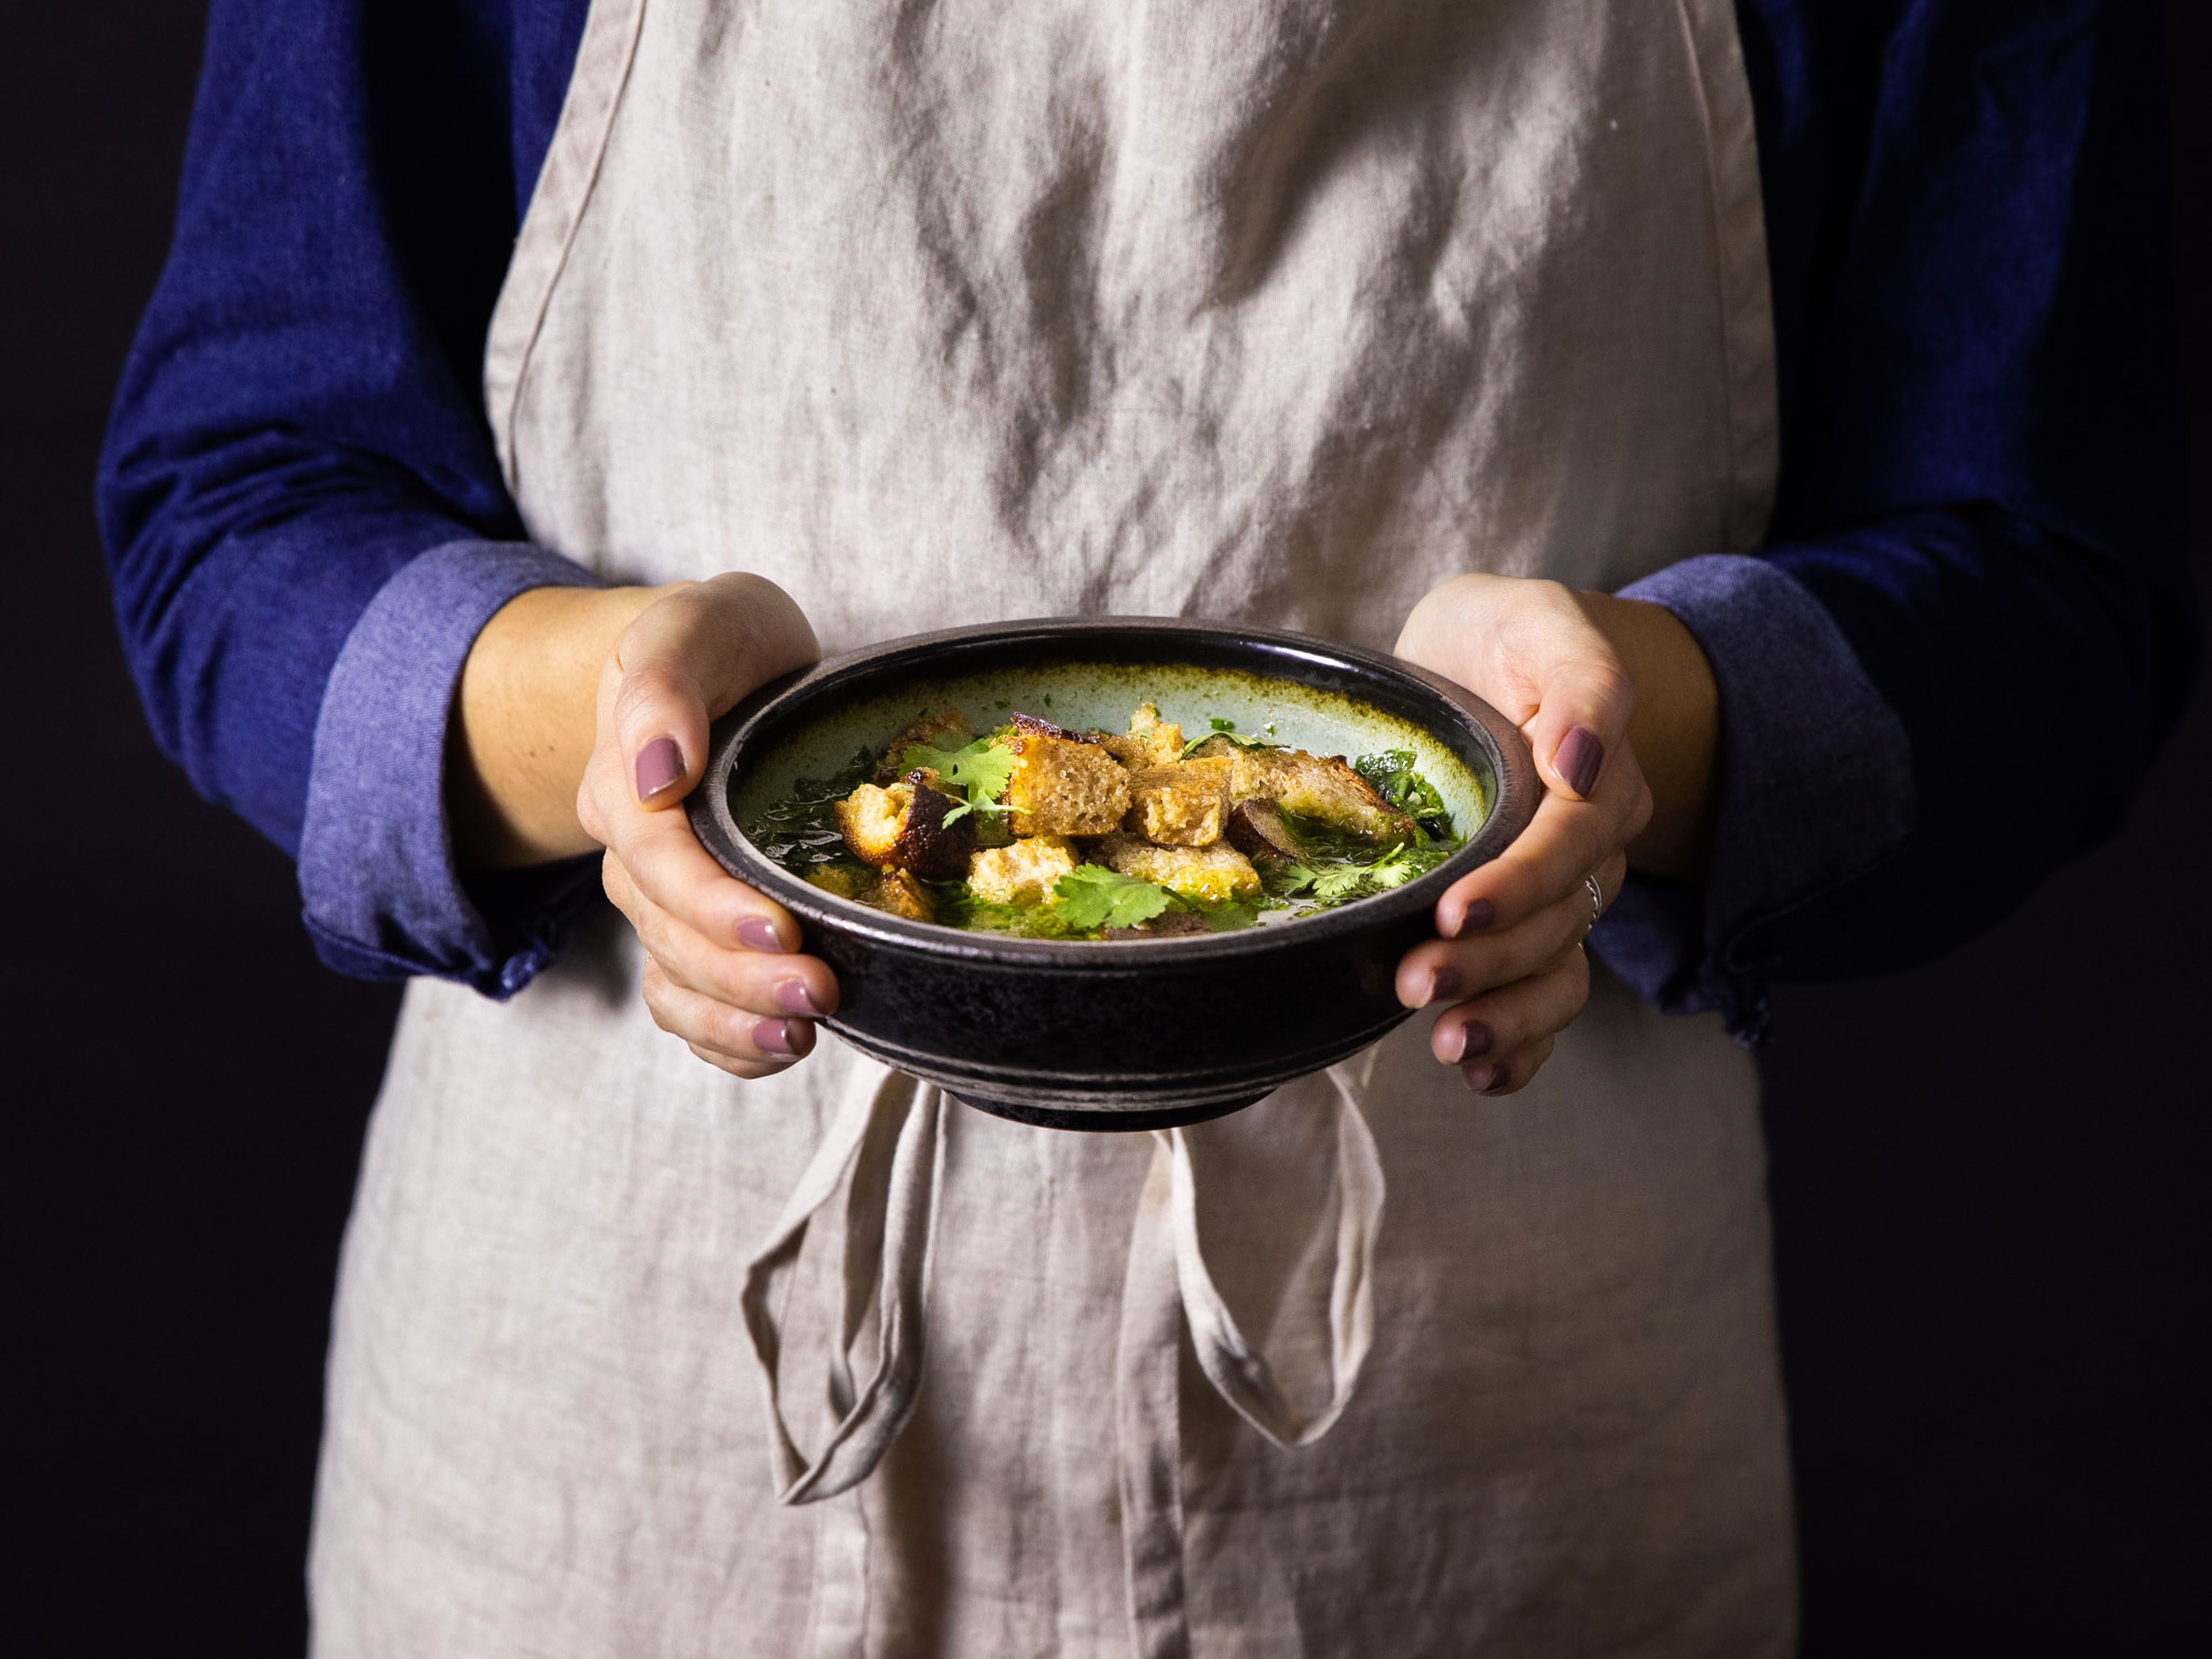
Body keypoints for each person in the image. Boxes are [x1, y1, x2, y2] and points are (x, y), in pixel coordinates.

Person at [100, 1, 2191, 1653]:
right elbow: (236, 499)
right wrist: (599, 722)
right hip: (623, 1442)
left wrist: (1637, 719)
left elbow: (2053, 574)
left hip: (1504, 1450)